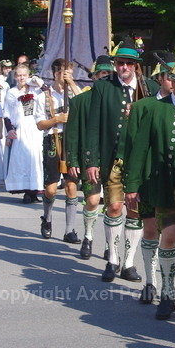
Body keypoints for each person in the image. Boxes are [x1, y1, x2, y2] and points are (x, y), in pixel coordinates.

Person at [124, 52, 175, 317]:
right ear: (172, 81)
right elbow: (139, 149)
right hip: (163, 185)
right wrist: (132, 185)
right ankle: (167, 294)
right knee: (169, 235)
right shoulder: (154, 109)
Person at [84, 41, 146, 282]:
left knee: (135, 210)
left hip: (139, 161)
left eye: (129, 63)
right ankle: (112, 260)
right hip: (114, 158)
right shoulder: (103, 87)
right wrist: (92, 160)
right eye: (120, 63)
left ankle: (129, 262)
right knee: (114, 207)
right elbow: (93, 126)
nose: (124, 67)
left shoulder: (147, 88)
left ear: (136, 66)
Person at [64, 56, 113, 259]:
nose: (106, 78)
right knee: (92, 200)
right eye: (102, 74)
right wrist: (73, 160)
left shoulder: (119, 101)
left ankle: (112, 245)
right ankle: (89, 236)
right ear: (94, 77)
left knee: (113, 205)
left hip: (112, 161)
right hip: (89, 158)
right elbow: (72, 133)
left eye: (109, 75)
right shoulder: (80, 101)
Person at [35, 59, 81, 240]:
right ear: (55, 74)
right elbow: (40, 124)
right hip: (52, 141)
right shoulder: (43, 97)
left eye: (70, 72)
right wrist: (57, 119)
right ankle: (47, 218)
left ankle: (69, 230)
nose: (67, 76)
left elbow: (85, 104)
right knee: (52, 189)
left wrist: (72, 84)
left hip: (72, 141)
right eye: (64, 73)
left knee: (72, 186)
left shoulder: (75, 93)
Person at [4, 65, 46, 202]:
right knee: (23, 159)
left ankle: (35, 190)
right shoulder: (12, 92)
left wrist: (37, 81)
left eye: (24, 75)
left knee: (36, 158)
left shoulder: (35, 90)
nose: (22, 78)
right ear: (15, 77)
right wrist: (9, 129)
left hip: (35, 128)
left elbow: (47, 93)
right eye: (19, 75)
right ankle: (26, 191)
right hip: (21, 129)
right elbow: (7, 114)